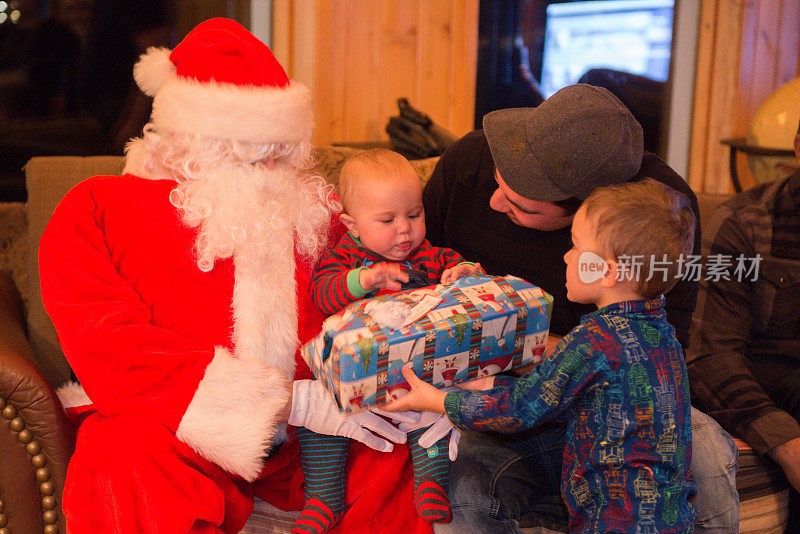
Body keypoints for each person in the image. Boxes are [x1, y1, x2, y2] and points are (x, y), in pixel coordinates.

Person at [39, 19, 433, 534]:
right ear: (191, 139)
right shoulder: (98, 206)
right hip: (176, 430)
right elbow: (111, 345)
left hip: (317, 444)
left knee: (405, 445)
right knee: (119, 455)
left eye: (282, 148)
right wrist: (289, 401)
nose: (271, 165)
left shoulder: (323, 212)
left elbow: (383, 302)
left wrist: (356, 390)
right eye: (249, 148)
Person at [422, 83, 740, 532]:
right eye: (498, 185)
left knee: (706, 457)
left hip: (607, 405)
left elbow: (665, 357)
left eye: (519, 204)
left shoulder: (655, 212)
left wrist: (518, 342)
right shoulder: (470, 160)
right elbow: (415, 273)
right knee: (464, 482)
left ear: (586, 209)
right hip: (500, 396)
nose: (495, 203)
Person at [388, 178, 698, 532]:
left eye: (577, 247)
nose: (566, 255)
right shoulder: (662, 333)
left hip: (611, 520)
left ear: (608, 271)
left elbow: (522, 408)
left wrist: (439, 401)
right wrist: (485, 381)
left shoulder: (594, 341)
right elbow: (555, 386)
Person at [303, 149, 482, 531]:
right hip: (357, 373)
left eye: (414, 215)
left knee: (441, 408)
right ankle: (323, 497)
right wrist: (364, 281)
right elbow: (321, 293)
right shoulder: (348, 258)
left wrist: (464, 272)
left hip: (417, 375)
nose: (405, 229)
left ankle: (431, 484)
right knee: (312, 412)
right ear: (352, 225)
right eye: (387, 219)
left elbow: (458, 268)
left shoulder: (430, 257)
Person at [686, 118, 800, 533]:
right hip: (770, 385)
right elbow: (709, 359)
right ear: (798, 150)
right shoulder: (744, 224)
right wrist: (789, 446)